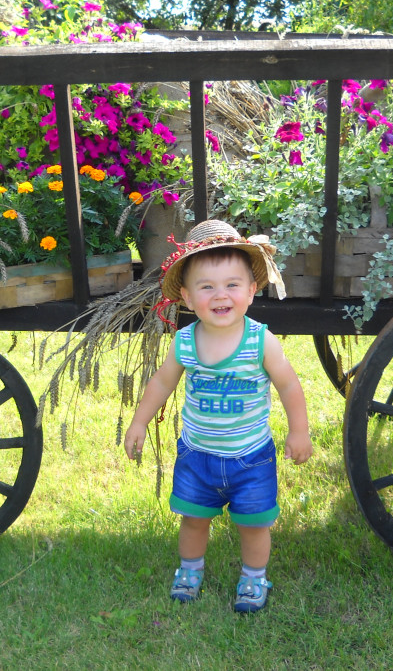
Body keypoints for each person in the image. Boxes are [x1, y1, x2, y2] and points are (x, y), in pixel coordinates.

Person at [123, 219, 313, 613]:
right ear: (188, 298)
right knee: (193, 520)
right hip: (198, 457)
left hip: (251, 457)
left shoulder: (261, 341)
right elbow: (161, 384)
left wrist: (299, 432)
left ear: (251, 291)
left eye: (231, 285)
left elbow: (290, 387)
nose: (220, 295)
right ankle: (190, 571)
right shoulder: (185, 341)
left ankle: (254, 577)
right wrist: (139, 421)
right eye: (207, 287)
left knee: (254, 524)